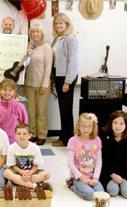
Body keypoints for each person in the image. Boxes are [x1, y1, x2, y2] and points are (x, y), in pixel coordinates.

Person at [51, 13, 79, 147]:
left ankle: (67, 138)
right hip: (58, 75)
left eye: (61, 23)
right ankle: (64, 137)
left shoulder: (71, 38)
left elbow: (73, 60)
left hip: (66, 77)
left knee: (66, 109)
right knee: (63, 108)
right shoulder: (57, 39)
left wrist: (68, 81)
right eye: (56, 23)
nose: (58, 26)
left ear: (67, 24)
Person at [24, 24, 53, 146]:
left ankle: (42, 135)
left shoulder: (46, 47)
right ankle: (33, 134)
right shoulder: (30, 46)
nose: (35, 34)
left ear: (42, 34)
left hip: (42, 84)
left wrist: (45, 84)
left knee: (41, 112)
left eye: (38, 32)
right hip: (29, 84)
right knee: (31, 111)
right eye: (33, 32)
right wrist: (27, 55)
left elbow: (48, 68)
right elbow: (24, 64)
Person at [67, 113, 104, 200]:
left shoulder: (97, 140)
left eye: (89, 126)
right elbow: (70, 163)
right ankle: (72, 185)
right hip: (78, 176)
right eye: (83, 126)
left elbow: (99, 162)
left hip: (92, 175)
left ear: (93, 127)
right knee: (89, 195)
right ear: (78, 126)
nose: (86, 129)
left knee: (100, 194)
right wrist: (81, 177)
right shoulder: (73, 141)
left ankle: (88, 184)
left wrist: (95, 178)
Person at [4, 124, 50, 188]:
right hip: (17, 171)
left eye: (24, 134)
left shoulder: (35, 148)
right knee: (6, 172)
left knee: (46, 174)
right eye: (19, 134)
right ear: (15, 135)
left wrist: (30, 173)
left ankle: (18, 182)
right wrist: (22, 172)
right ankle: (33, 185)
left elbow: (35, 166)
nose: (21, 136)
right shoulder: (11, 148)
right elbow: (13, 165)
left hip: (30, 172)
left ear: (29, 136)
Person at [0, 78, 28, 144]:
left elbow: (24, 125)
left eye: (10, 90)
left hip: (15, 141)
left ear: (14, 91)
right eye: (4, 90)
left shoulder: (20, 107)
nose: (7, 92)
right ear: (0, 90)